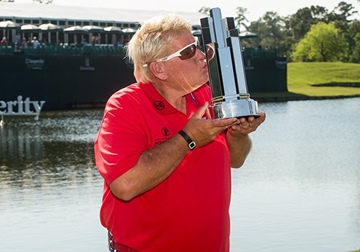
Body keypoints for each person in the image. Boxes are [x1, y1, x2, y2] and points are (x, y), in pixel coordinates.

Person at [94, 13, 266, 251]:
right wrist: (188, 139)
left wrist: (238, 134)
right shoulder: (126, 105)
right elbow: (125, 185)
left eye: (197, 46)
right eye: (188, 52)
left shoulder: (206, 96)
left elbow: (236, 160)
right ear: (159, 69)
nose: (202, 55)